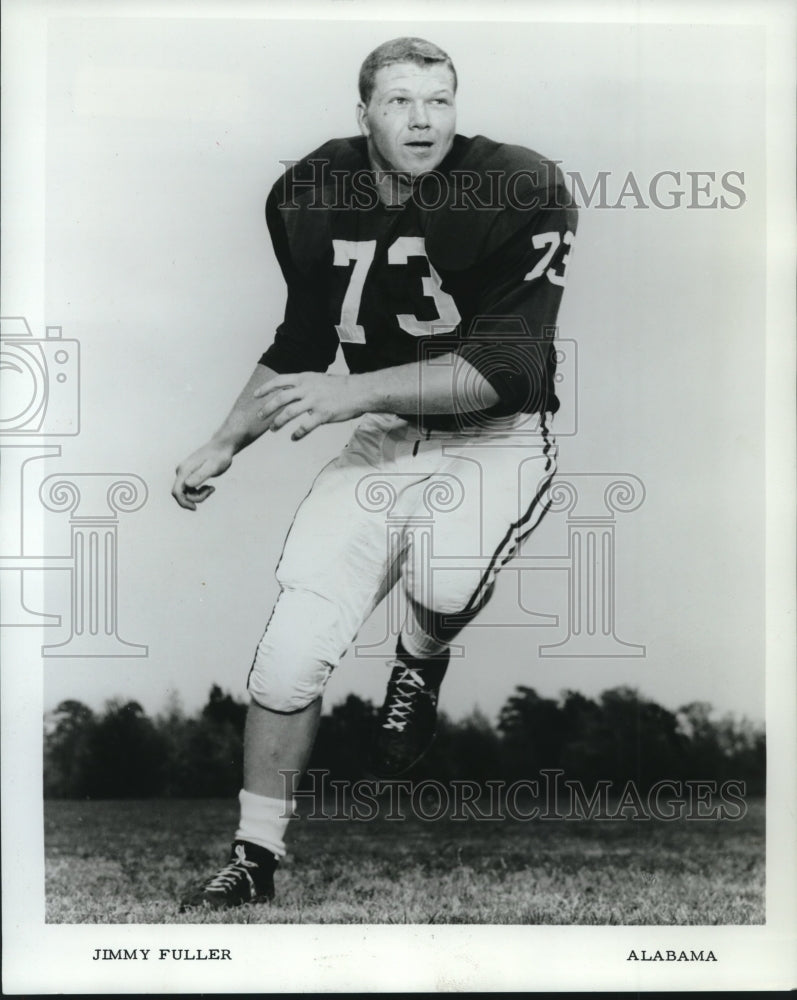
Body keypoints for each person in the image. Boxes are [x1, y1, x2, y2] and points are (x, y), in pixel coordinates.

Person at [172, 36, 578, 909]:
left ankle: (418, 661)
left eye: (438, 100)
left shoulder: (519, 186)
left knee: (440, 573)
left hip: (493, 437)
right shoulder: (313, 188)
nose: (422, 119)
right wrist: (223, 442)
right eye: (399, 101)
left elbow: (499, 371)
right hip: (385, 436)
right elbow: (301, 343)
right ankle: (254, 856)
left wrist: (349, 394)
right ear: (362, 114)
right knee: (288, 652)